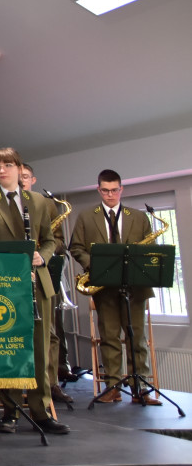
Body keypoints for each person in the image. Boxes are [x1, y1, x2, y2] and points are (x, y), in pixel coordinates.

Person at [0, 148, 70, 435]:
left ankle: (41, 411)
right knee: (10, 345)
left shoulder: (37, 201)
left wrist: (43, 256)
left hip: (37, 281)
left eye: (8, 165)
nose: (2, 170)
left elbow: (50, 240)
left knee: (40, 349)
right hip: (4, 282)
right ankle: (11, 412)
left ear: (18, 168)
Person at [70, 169, 159, 406]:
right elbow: (76, 247)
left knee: (136, 338)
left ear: (122, 190)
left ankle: (141, 389)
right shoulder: (86, 216)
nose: (110, 194)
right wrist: (96, 266)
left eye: (115, 190)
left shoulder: (139, 217)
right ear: (99, 190)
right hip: (104, 286)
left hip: (135, 287)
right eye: (106, 190)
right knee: (109, 337)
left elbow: (150, 251)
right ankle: (113, 387)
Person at [20, 162, 74, 404]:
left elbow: (60, 241)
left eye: (25, 177)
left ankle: (50, 384)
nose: (21, 180)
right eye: (18, 176)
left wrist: (42, 251)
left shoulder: (47, 204)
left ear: (33, 179)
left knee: (50, 333)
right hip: (16, 274)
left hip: (44, 271)